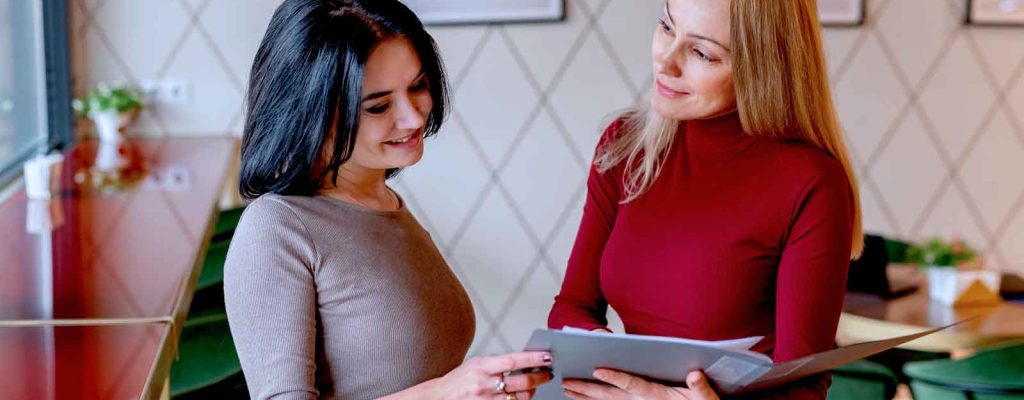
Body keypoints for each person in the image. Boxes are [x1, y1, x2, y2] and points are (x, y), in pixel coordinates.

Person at [224, 1, 552, 399]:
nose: (413, 118)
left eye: (418, 86)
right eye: (379, 106)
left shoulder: (382, 202)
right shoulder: (276, 228)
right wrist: (445, 393)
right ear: (310, 112)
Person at [549, 0, 863, 399]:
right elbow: (571, 307)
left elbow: (803, 386)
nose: (666, 62)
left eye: (701, 53)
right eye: (666, 27)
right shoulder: (625, 146)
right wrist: (616, 373)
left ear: (761, 68)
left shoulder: (811, 182)